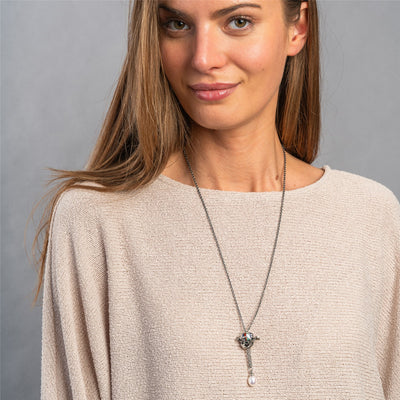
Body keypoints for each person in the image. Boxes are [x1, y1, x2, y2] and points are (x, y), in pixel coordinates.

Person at [32, 0, 399, 398]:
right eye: (177, 24)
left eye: (238, 22)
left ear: (298, 27)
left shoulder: (370, 216)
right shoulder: (96, 220)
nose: (203, 58)